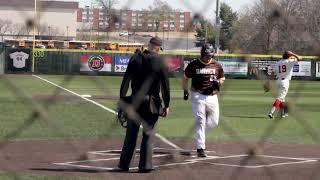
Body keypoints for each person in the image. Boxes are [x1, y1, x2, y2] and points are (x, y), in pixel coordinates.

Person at [117, 36, 170, 173]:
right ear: (158, 47)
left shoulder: (135, 58)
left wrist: (122, 98)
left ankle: (124, 164)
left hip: (134, 100)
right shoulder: (161, 61)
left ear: (149, 45)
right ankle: (145, 165)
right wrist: (167, 105)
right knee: (149, 133)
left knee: (131, 134)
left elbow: (126, 80)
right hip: (152, 102)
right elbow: (165, 86)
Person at [182, 43, 225, 157]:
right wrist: (185, 91)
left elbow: (222, 77)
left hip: (213, 96)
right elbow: (185, 78)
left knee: (214, 122)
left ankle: (200, 135)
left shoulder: (216, 65)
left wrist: (219, 82)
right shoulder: (194, 64)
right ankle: (200, 148)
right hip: (198, 95)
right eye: (207, 55)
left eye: (210, 55)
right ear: (202, 54)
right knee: (200, 120)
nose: (209, 57)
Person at [268, 51, 301, 119]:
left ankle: (283, 113)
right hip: (285, 82)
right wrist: (293, 54)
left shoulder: (278, 62)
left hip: (278, 81)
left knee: (282, 98)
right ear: (289, 56)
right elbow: (300, 58)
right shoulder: (289, 61)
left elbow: (273, 72)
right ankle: (271, 112)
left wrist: (269, 81)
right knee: (280, 98)